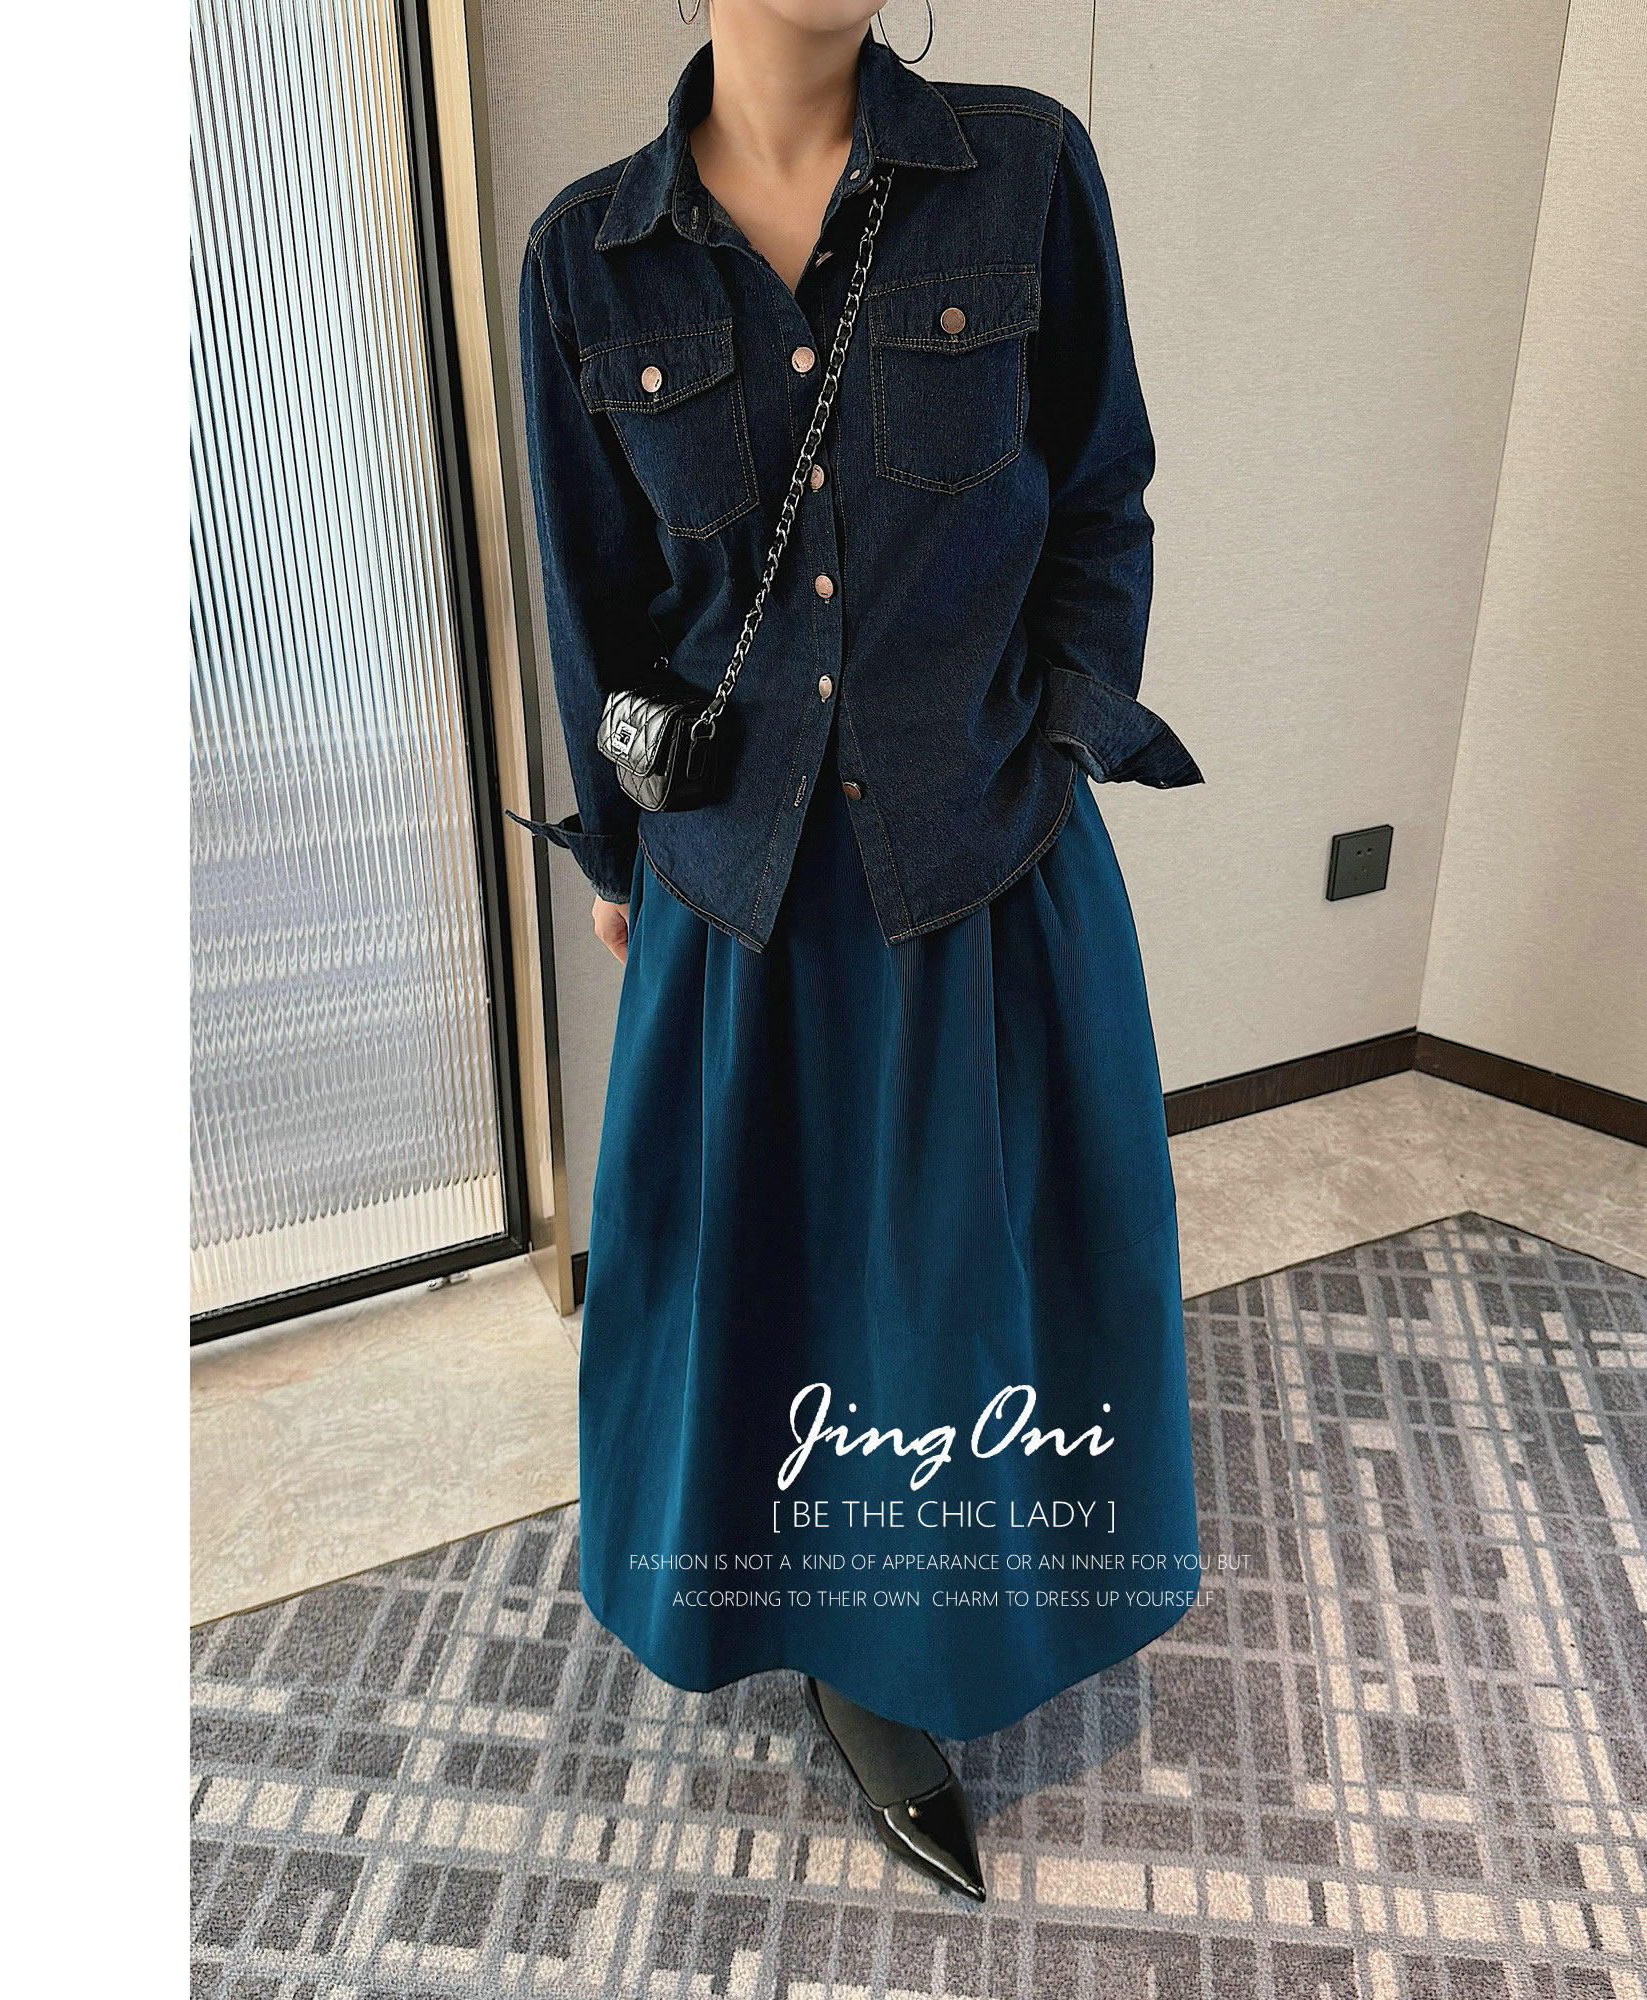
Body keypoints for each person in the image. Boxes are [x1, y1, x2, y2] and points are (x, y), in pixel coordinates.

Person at [507, 0, 1206, 1901]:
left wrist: (1061, 734)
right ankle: (821, 1630)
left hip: (981, 859)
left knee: (970, 1286)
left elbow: (1102, 492)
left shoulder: (1025, 170)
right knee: (761, 1286)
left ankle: (933, 1641)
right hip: (739, 895)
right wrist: (620, 845)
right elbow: (591, 601)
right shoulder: (587, 258)